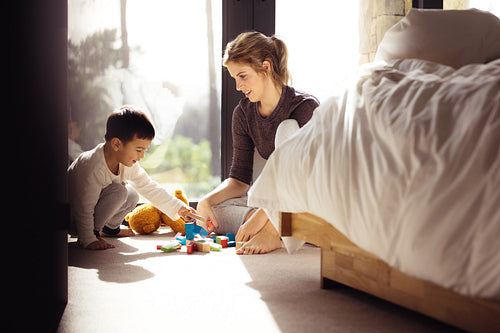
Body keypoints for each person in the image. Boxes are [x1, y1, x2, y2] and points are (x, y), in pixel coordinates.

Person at [197, 32, 319, 255]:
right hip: (275, 204)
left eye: (242, 76)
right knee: (215, 211)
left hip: (309, 196)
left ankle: (273, 231)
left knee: (287, 128)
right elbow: (239, 181)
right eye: (235, 78)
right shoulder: (243, 113)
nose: (237, 86)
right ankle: (272, 224)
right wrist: (205, 201)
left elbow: (306, 178)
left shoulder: (305, 107)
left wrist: (265, 213)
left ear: (266, 67)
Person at [68, 105, 200, 250]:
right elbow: (83, 207)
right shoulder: (93, 166)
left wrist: (179, 208)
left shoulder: (126, 163)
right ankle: (94, 232)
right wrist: (88, 238)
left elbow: (149, 187)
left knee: (132, 194)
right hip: (74, 219)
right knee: (120, 192)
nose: (142, 156)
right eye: (139, 150)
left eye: (144, 150)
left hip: (94, 209)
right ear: (116, 144)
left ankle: (109, 228)